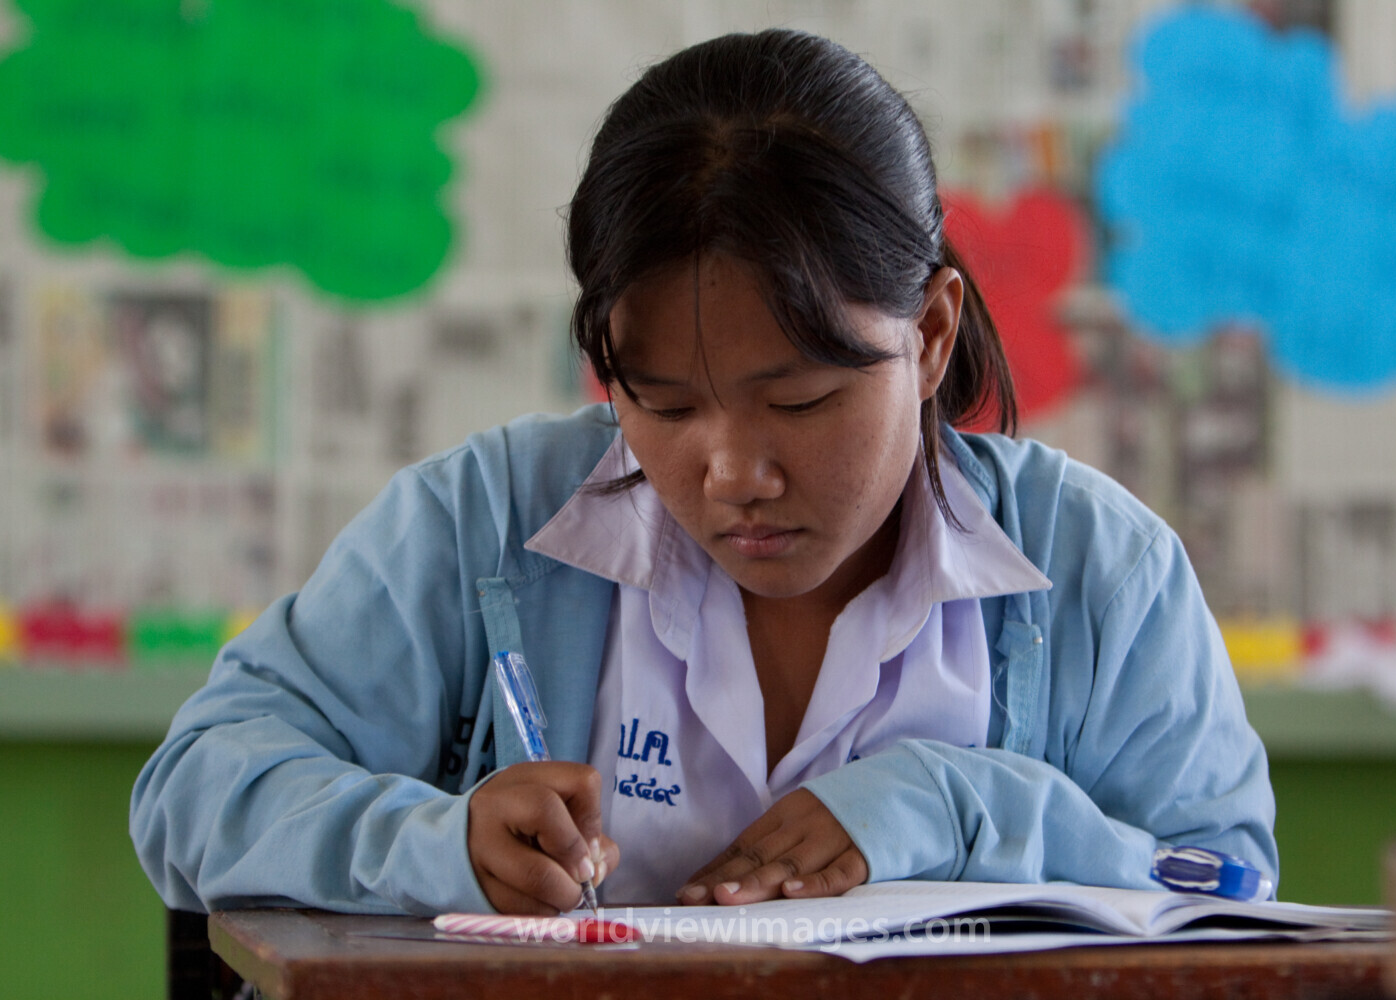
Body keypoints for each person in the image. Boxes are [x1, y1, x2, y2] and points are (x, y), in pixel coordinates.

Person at [130, 28, 1276, 917]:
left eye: (801, 400)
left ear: (929, 336)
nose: (733, 471)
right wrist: (438, 845)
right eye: (662, 404)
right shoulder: (481, 526)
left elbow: (1224, 891)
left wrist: (961, 803)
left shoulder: (1099, 572)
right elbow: (194, 793)